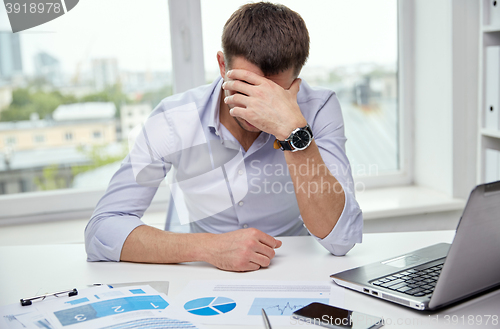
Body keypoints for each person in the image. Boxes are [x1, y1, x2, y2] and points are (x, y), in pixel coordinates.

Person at [85, 1, 362, 272]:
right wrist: (208, 248)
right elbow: (102, 230)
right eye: (246, 86)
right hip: (204, 275)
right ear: (222, 65)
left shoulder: (318, 107)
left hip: (293, 269)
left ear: (296, 82)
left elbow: (342, 239)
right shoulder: (174, 118)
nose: (258, 106)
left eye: (273, 93)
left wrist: (293, 131)